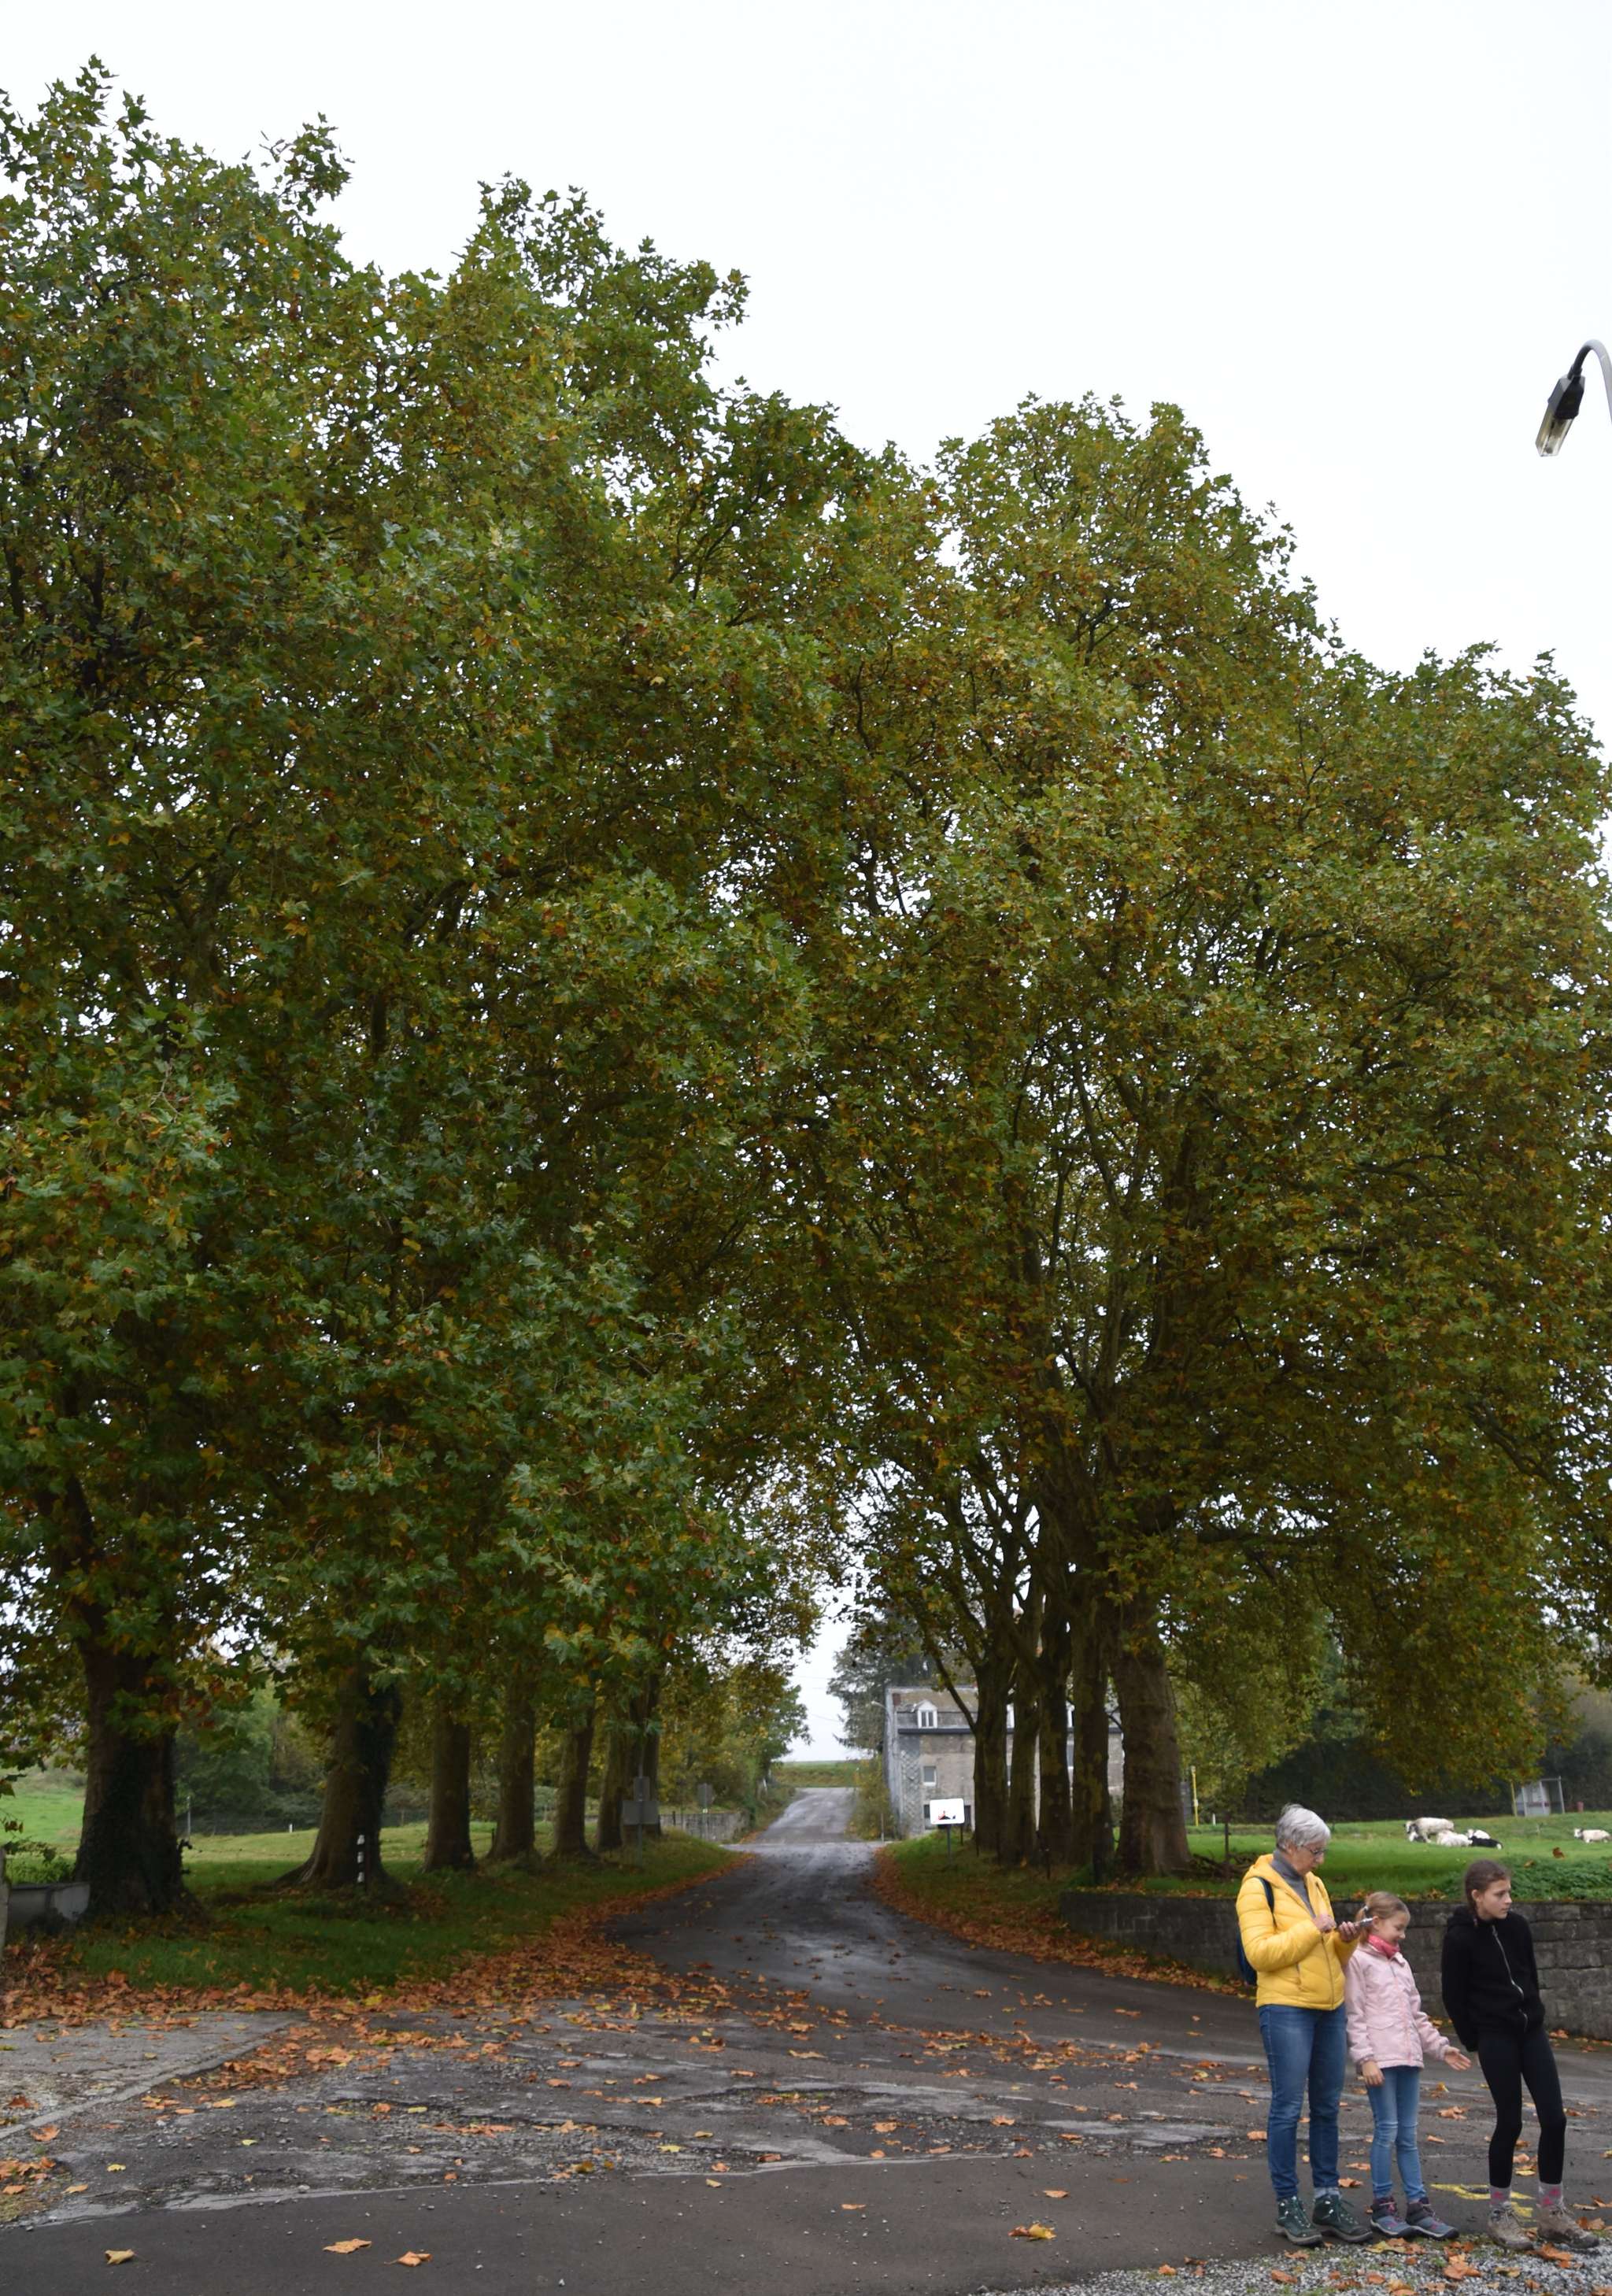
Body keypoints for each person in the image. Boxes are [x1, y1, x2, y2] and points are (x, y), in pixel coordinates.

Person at [1441, 1856, 1597, 2254]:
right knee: (1509, 2122)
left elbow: (1530, 1976)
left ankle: (1551, 2212)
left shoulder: (1518, 1927)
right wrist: (1476, 2041)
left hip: (1531, 2033)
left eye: (1509, 1892)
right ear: (1477, 1896)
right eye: (1500, 1894)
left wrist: (1534, 2012)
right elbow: (1453, 1996)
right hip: (1495, 2037)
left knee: (1555, 2119)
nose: (1508, 1900)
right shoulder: (1459, 1938)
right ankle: (1500, 2213)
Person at [1237, 1804, 1370, 2247]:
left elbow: (1328, 1951)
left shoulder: (1314, 1882)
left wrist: (1346, 1941)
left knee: (1328, 2107)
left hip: (1329, 2006)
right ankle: (1288, 2204)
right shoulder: (1257, 1887)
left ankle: (1327, 2199)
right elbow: (1260, 1954)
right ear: (1290, 1845)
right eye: (1316, 1851)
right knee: (1288, 2108)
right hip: (1286, 2008)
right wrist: (1314, 1929)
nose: (1321, 1860)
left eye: (1323, 1851)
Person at [1344, 1889, 1470, 2238]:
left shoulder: (1400, 1963)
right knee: (1387, 2131)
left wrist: (1441, 2049)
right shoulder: (1357, 1960)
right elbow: (1354, 2015)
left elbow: (1417, 2016)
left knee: (1408, 2135)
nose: (1402, 1935)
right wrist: (1366, 2059)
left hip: (1409, 2059)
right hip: (1380, 2063)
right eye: (1398, 1928)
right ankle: (1383, 2206)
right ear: (1377, 1923)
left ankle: (1418, 2206)